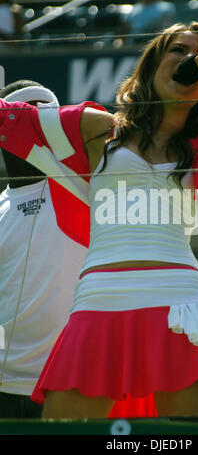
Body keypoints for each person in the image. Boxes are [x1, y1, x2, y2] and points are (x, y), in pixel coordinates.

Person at [0, 21, 198, 419]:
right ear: (151, 67)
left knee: (179, 439)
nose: (190, 60)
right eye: (178, 51)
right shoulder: (96, 129)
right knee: (62, 428)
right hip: (98, 300)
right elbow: (6, 117)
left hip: (181, 305)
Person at [0, 80, 87, 418]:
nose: (34, 127)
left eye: (43, 118)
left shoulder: (84, 192)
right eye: (23, 117)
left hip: (69, 388)